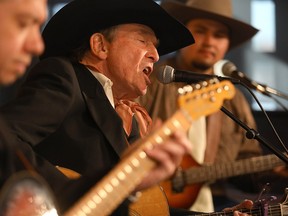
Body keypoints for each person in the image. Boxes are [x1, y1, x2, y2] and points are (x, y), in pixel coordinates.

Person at [137, 0, 265, 212]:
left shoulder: (234, 98)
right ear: (184, 35)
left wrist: (275, 168)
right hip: (150, 199)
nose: (209, 42)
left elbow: (247, 172)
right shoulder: (150, 81)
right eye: (200, 31)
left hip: (215, 203)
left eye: (219, 35)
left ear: (227, 43)